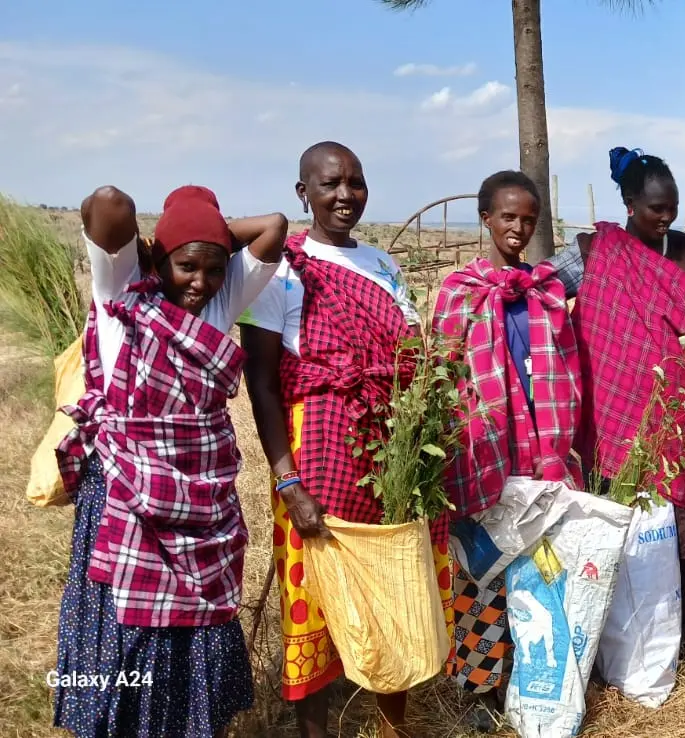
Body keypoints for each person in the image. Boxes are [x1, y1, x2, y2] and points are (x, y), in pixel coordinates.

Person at [55, 184, 286, 737]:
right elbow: (109, 202)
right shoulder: (125, 294)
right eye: (186, 267)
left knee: (196, 617)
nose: (200, 282)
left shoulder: (219, 300)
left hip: (200, 498)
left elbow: (276, 224)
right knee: (128, 621)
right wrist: (164, 244)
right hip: (127, 496)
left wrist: (206, 240)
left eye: (213, 268)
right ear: (160, 259)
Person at [239, 142, 442, 738]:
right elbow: (262, 382)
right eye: (330, 184)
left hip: (392, 448)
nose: (346, 195)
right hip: (317, 447)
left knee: (394, 579)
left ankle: (391, 724)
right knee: (317, 594)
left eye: (356, 182)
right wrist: (287, 480)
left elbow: (411, 357)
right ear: (303, 193)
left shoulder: (384, 266)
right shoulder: (281, 270)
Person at [549, 146, 685, 665]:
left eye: (671, 208)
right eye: (654, 209)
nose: (665, 218)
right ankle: (605, 638)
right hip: (609, 404)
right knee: (609, 514)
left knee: (678, 515)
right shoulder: (596, 250)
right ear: (627, 203)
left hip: (676, 405)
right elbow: (542, 290)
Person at [433, 170, 582, 725]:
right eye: (508, 217)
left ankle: (534, 678)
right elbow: (443, 373)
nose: (518, 229)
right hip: (483, 450)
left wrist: (561, 444)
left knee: (541, 565)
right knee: (481, 568)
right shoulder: (459, 291)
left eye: (528, 220)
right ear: (486, 219)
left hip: (540, 450)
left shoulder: (545, 290)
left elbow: (564, 372)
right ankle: (480, 687)